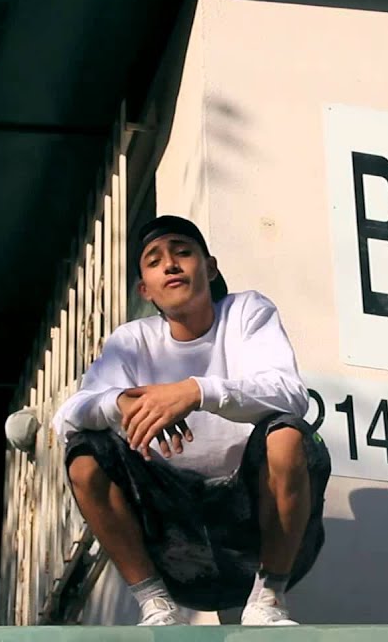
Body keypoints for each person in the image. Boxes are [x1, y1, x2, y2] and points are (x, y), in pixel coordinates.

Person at [51, 215, 331, 626]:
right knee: (85, 455)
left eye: (183, 252)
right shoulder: (131, 341)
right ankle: (154, 604)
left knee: (288, 435)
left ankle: (269, 599)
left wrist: (195, 392)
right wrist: (122, 403)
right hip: (175, 543)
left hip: (253, 532)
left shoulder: (246, 311)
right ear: (144, 289)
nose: (170, 264)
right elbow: (65, 419)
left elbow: (290, 393)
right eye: (154, 260)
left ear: (210, 268)